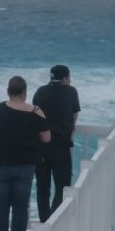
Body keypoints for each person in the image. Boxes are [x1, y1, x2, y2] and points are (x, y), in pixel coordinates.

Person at [0, 76, 50, 231]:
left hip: (1, 163)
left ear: (8, 91)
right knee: (21, 206)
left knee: (1, 205)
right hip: (25, 165)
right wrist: (40, 114)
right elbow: (46, 138)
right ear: (24, 93)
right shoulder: (34, 113)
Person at [33, 64, 81, 222]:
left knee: (42, 187)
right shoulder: (71, 91)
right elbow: (74, 115)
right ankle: (54, 221)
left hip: (40, 146)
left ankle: (44, 221)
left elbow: (35, 114)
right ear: (66, 78)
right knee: (62, 187)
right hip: (61, 144)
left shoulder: (40, 91)